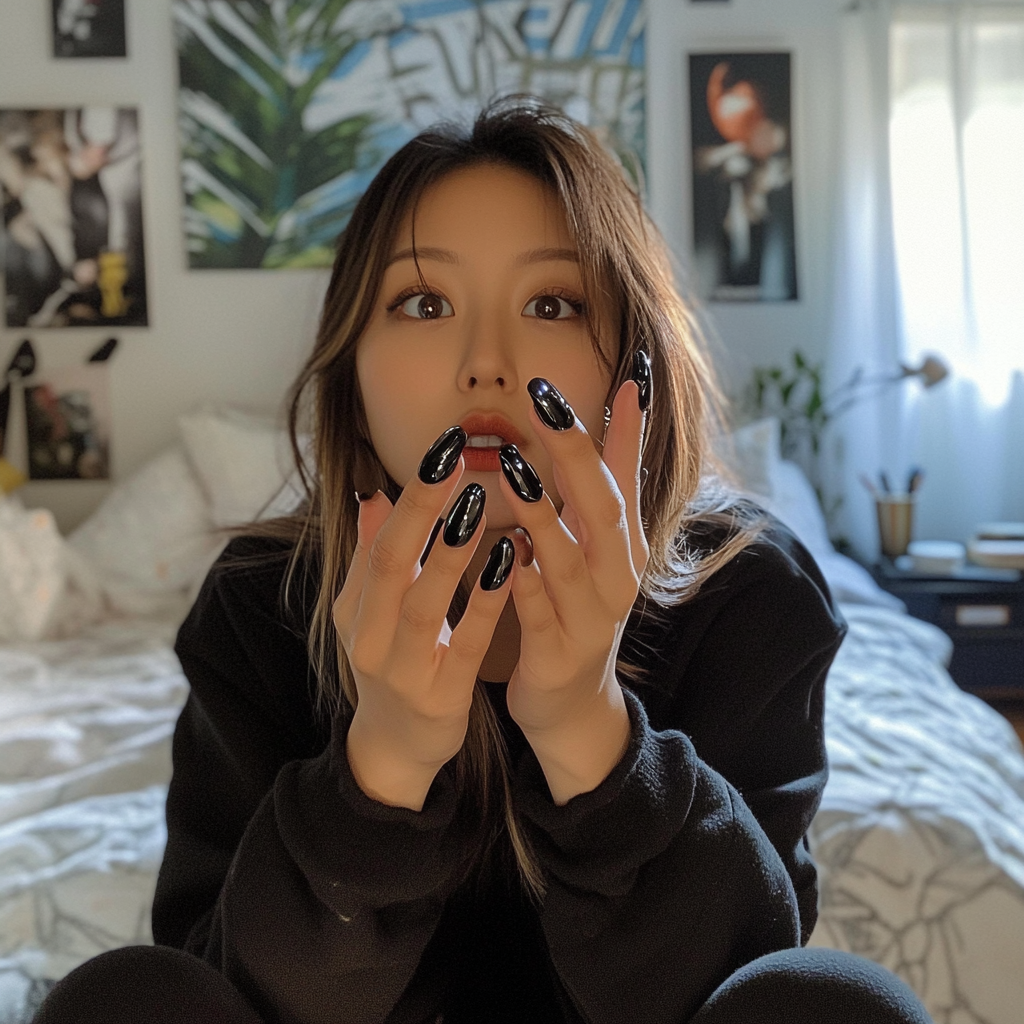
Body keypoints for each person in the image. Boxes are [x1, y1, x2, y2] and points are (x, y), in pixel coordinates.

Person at [33, 96, 932, 1024]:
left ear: (635, 365)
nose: (486, 365)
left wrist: (590, 731)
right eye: (424, 303)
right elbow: (218, 985)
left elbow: (738, 984)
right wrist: (380, 769)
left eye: (553, 303)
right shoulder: (259, 606)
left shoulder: (748, 591)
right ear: (354, 374)